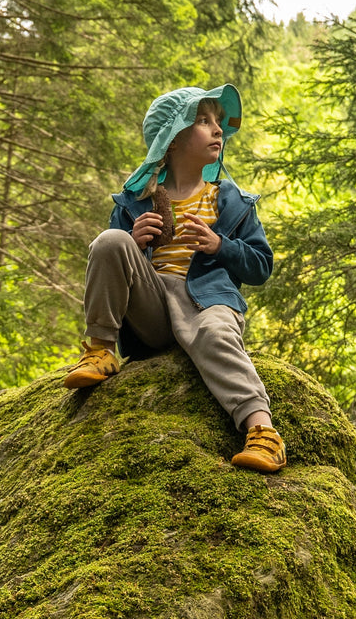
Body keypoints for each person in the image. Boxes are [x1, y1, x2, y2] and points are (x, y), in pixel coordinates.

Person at [61, 84, 283, 473]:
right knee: (110, 241)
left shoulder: (229, 199)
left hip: (207, 302)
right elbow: (113, 262)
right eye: (203, 121)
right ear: (173, 140)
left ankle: (263, 433)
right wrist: (134, 242)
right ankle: (100, 350)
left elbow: (261, 265)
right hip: (152, 310)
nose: (217, 130)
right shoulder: (135, 203)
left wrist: (220, 245)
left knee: (216, 334)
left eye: (218, 122)